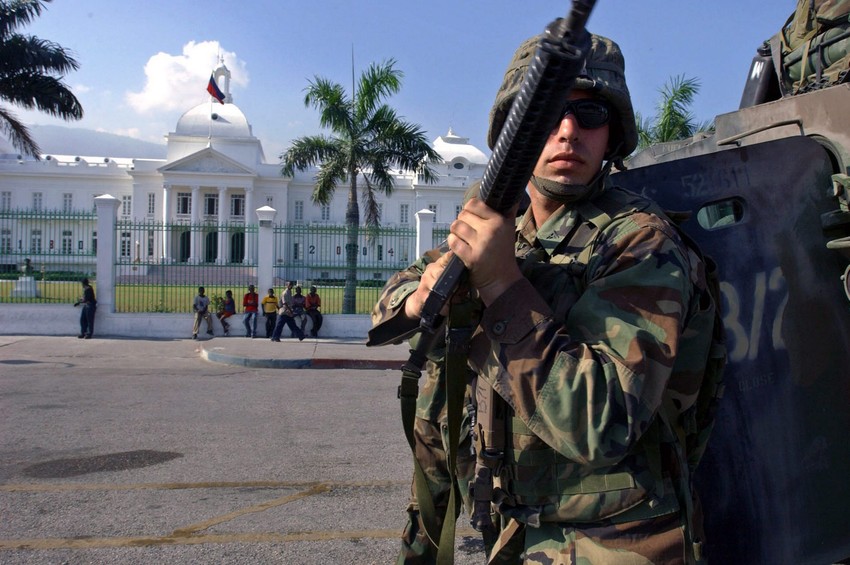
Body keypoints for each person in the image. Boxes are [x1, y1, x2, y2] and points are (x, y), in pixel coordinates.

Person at [369, 32, 718, 564]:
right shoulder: (504, 227)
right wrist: (422, 299)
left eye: (590, 113)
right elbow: (395, 301)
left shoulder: (641, 242)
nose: (568, 132)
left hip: (615, 541)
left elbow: (601, 421)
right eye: (547, 113)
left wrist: (500, 286)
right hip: (516, 529)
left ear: (614, 134)